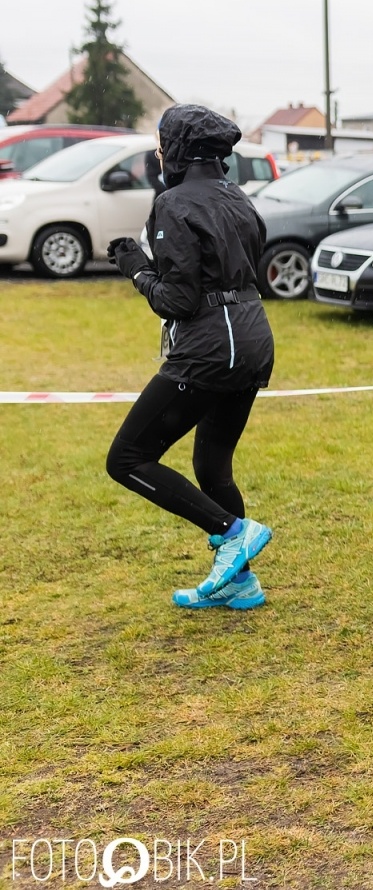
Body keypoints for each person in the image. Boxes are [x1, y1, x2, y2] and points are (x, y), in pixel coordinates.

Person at [104, 104, 276, 609]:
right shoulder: (239, 196)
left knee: (128, 458)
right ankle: (241, 583)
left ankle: (232, 533)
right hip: (253, 337)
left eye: (161, 146)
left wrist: (136, 268)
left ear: (177, 150)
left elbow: (176, 300)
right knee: (212, 465)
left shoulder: (174, 203)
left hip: (211, 347)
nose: (158, 156)